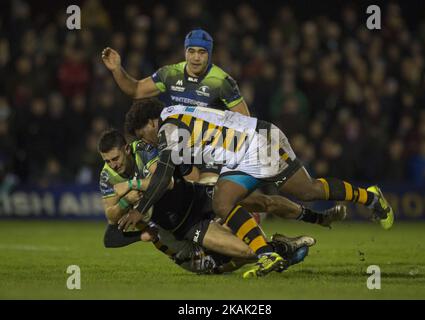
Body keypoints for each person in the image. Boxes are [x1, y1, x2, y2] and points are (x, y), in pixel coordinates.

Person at [122, 99, 394, 278]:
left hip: (257, 143)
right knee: (223, 202)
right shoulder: (177, 114)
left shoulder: (168, 129)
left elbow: (165, 174)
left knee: (307, 191)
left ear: (150, 123)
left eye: (141, 134)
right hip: (240, 153)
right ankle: (267, 254)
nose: (145, 141)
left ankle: (370, 197)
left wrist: (140, 210)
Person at [98, 129, 344, 276]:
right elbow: (111, 216)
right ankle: (282, 247)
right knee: (247, 250)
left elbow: (163, 182)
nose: (113, 165)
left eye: (115, 159)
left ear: (126, 150)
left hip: (196, 197)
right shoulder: (107, 175)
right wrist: (125, 202)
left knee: (261, 201)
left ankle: (318, 218)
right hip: (187, 226)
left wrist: (129, 187)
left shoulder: (144, 150)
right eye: (108, 161)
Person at [102, 29, 249, 182]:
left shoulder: (222, 81)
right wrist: (116, 70)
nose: (196, 57)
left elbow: (245, 121)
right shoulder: (170, 74)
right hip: (179, 150)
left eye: (202, 52)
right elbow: (136, 90)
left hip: (210, 152)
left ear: (209, 54)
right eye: (191, 51)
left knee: (211, 196)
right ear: (185, 52)